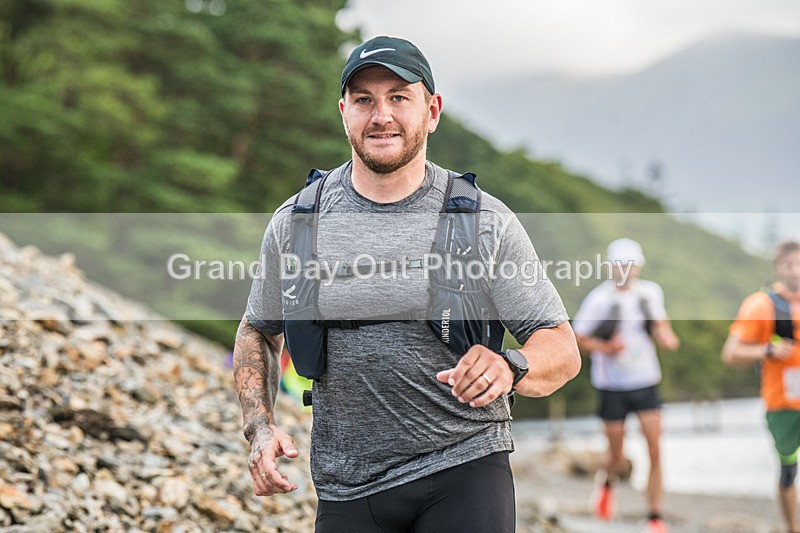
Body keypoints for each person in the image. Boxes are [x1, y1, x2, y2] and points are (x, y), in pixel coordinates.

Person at [232, 35, 581, 532]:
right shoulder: (297, 223)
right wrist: (260, 427)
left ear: (432, 110)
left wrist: (510, 365)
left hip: (464, 467)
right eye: (364, 100)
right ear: (344, 111)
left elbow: (562, 347)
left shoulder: (483, 221)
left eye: (399, 97)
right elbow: (257, 331)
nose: (381, 116)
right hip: (346, 484)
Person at [571, 238, 680, 533]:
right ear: (610, 267)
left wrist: (666, 337)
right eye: (619, 265)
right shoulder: (599, 299)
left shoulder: (650, 293)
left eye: (630, 265)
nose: (624, 271)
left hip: (646, 381)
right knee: (617, 456)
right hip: (612, 386)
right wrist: (605, 348)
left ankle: (655, 516)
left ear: (638, 267)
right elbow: (577, 337)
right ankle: (607, 484)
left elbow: (662, 324)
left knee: (655, 449)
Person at [722, 239, 800, 533]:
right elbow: (731, 353)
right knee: (789, 471)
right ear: (778, 268)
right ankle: (793, 528)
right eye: (789, 265)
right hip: (782, 406)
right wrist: (766, 350)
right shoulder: (761, 305)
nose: (795, 271)